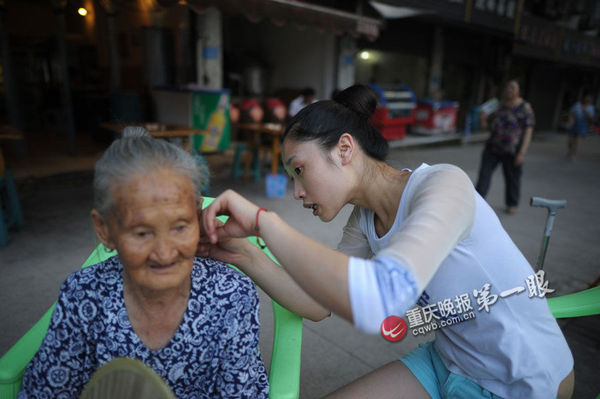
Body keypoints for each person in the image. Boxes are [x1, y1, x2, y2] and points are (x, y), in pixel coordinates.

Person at [198, 85, 574, 399]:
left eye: (300, 170)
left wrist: (266, 224)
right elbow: (316, 304)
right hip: (450, 361)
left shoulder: (444, 185)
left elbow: (381, 296)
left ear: (345, 149)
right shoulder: (363, 219)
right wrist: (242, 253)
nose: (297, 191)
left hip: (522, 380)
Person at [18, 127, 269, 398]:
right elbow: (48, 391)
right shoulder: (83, 295)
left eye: (180, 227)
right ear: (104, 230)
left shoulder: (231, 295)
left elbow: (241, 393)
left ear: (198, 219)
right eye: (141, 233)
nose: (164, 253)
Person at [475, 79, 535, 214]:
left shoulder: (525, 107)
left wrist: (522, 153)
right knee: (484, 175)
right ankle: (477, 201)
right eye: (508, 87)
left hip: (512, 149)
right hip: (493, 147)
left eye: (513, 88)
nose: (509, 90)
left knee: (512, 177)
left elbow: (528, 131)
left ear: (518, 91)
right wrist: (482, 119)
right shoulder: (497, 105)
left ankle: (512, 203)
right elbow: (487, 128)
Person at [567, 93, 595, 160]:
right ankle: (570, 151)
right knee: (570, 141)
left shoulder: (591, 108)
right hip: (574, 124)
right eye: (586, 98)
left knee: (577, 140)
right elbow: (571, 113)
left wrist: (585, 111)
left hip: (582, 125)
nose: (587, 99)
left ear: (591, 100)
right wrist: (571, 122)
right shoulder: (577, 105)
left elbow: (591, 118)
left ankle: (573, 155)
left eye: (589, 98)